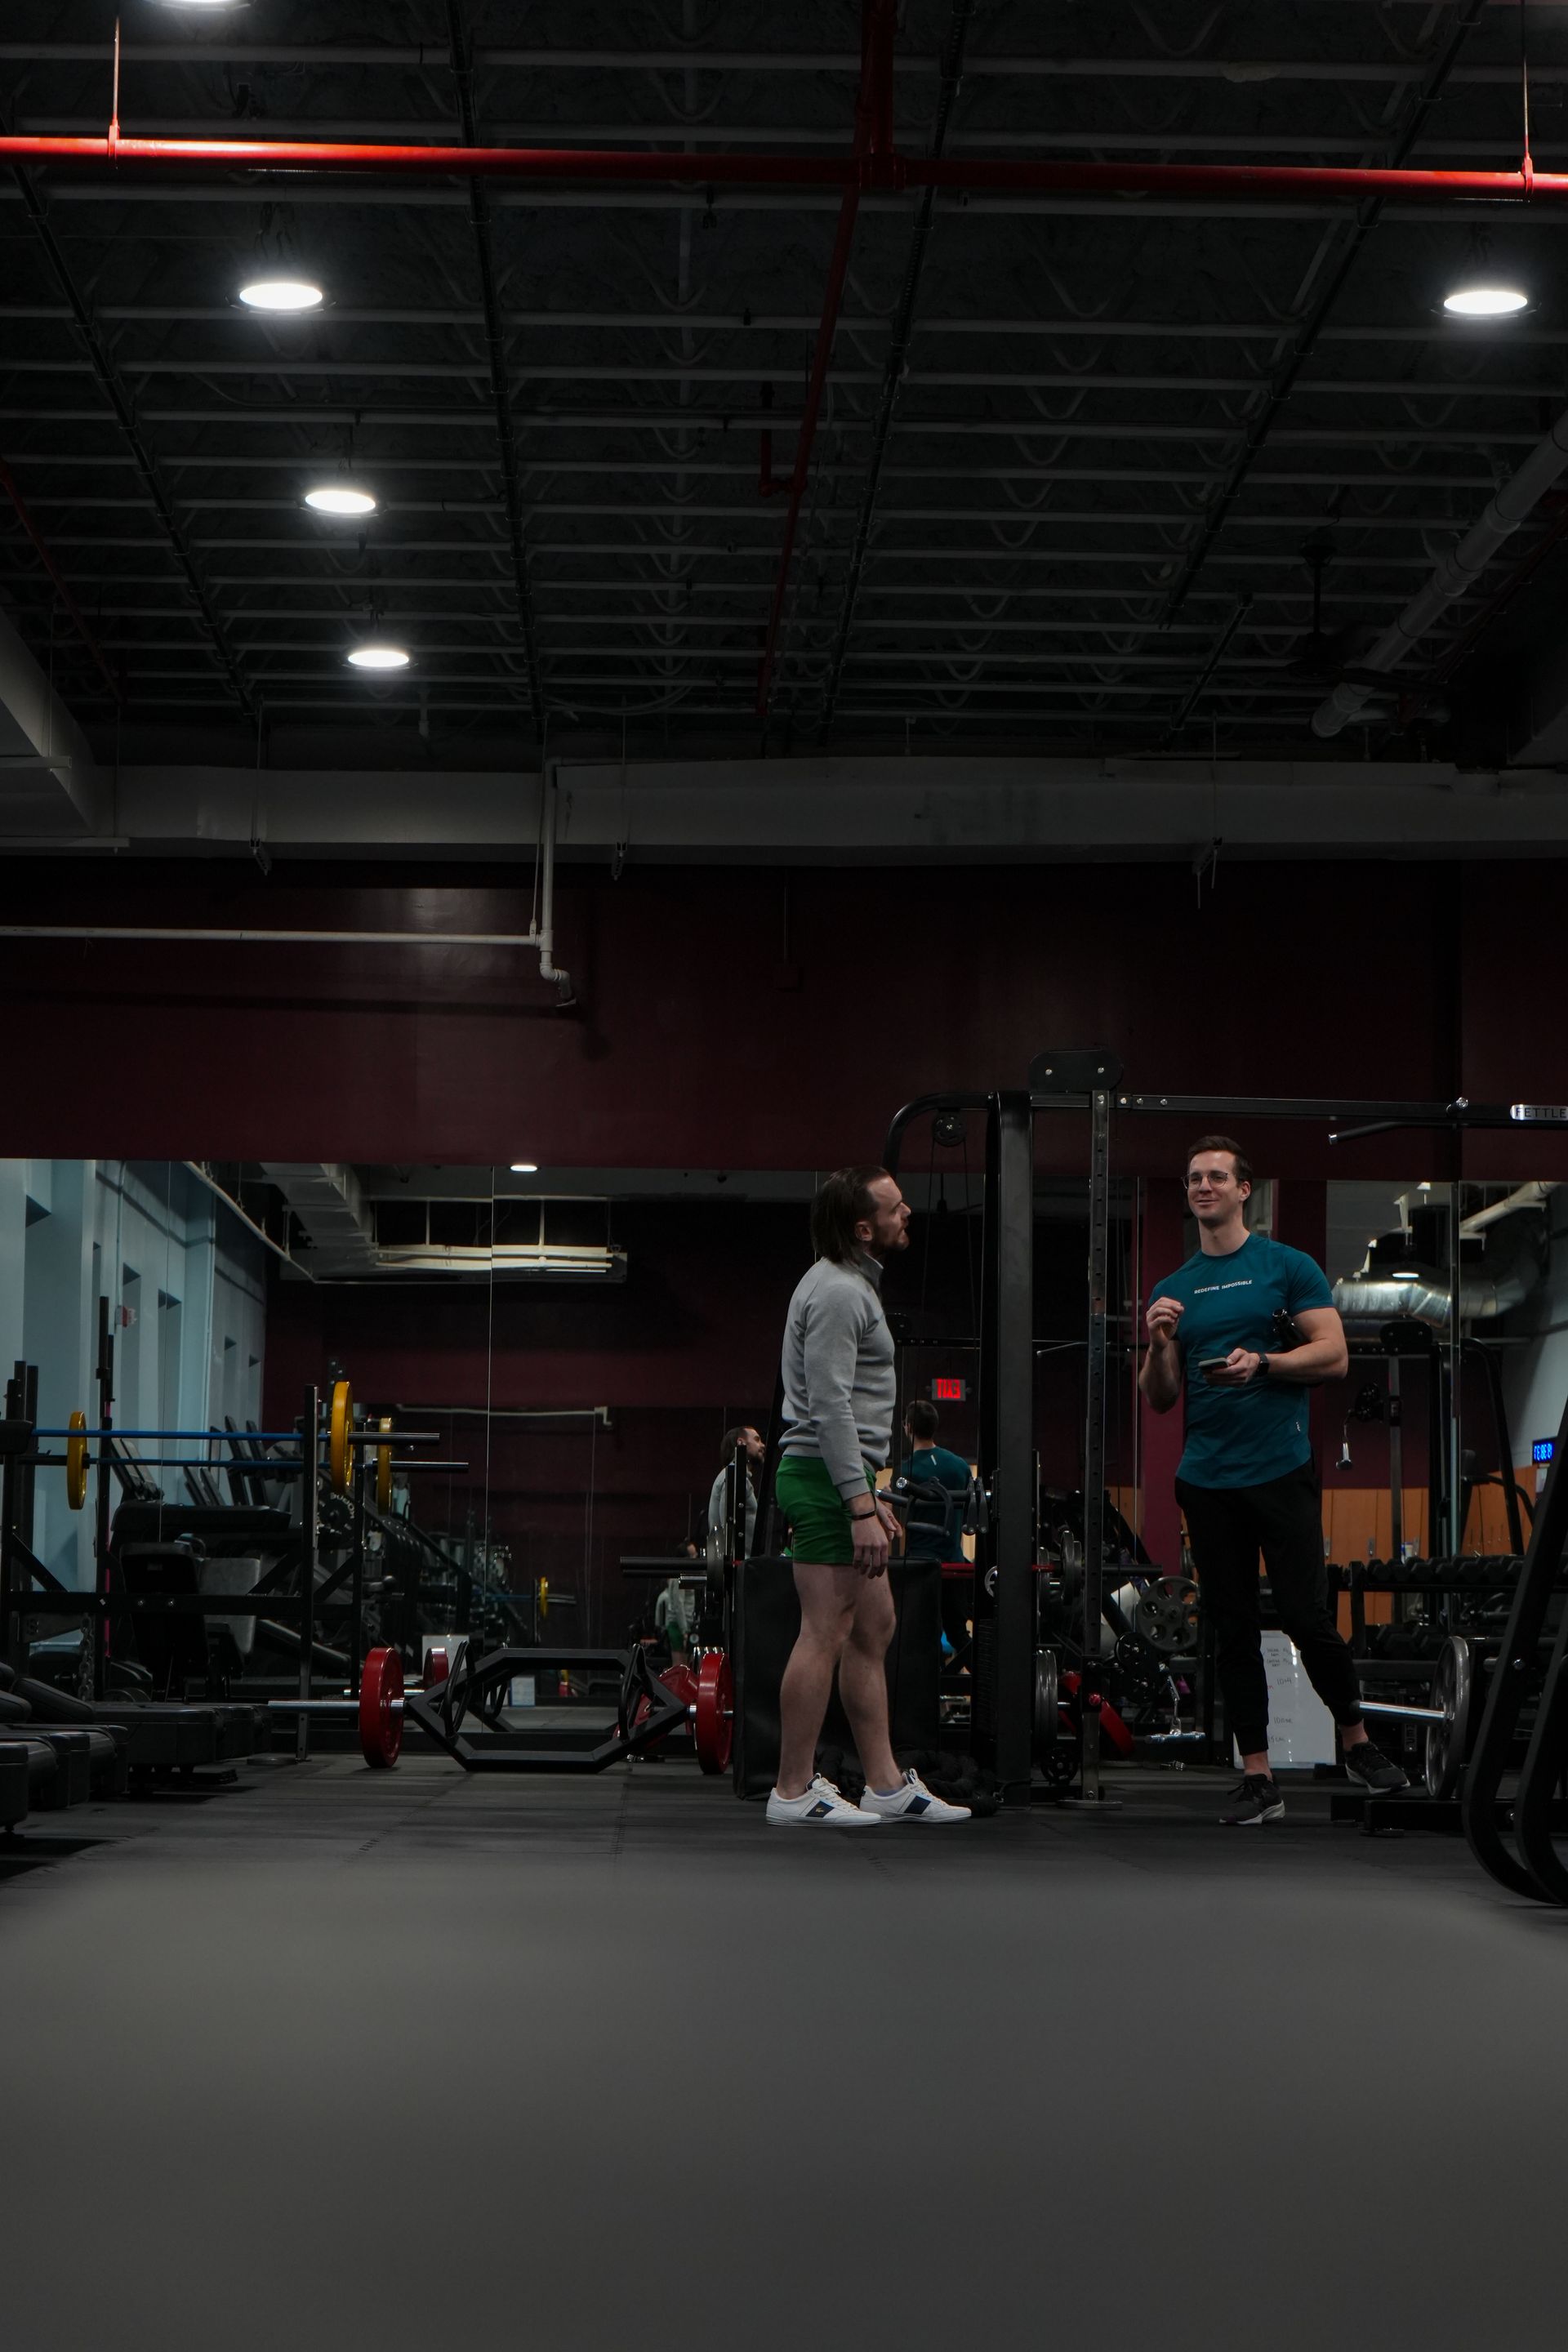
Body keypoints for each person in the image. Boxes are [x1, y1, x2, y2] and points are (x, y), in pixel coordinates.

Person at [1138, 1134, 1409, 1825]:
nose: (1204, 1187)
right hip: (1206, 1477)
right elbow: (1162, 1396)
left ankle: (1357, 1742)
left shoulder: (1286, 1267)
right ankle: (1259, 1777)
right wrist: (1160, 1344)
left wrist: (1263, 1363)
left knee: (1304, 1616)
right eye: (1195, 1178)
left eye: (1217, 1177)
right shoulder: (1175, 1289)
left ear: (1242, 1190)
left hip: (1279, 1471)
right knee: (1230, 1629)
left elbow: (1335, 1355)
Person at [767, 1165, 970, 1827]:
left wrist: (873, 1495)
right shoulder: (836, 1294)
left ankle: (884, 1784)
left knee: (874, 1625)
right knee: (824, 1631)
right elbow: (828, 1405)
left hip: (843, 1478)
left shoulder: (852, 1285)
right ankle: (792, 1791)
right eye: (895, 1207)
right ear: (864, 1229)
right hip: (823, 1478)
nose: (907, 1212)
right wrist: (858, 1503)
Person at [895, 1400, 972, 1563]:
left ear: (908, 1427)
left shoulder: (904, 1472)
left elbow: (896, 1523)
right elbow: (967, 1519)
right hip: (954, 1562)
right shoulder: (961, 1466)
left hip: (919, 1564)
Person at [707, 1424, 762, 1559]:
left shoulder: (736, 1475)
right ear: (741, 1442)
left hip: (739, 1567)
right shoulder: (734, 1475)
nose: (762, 1445)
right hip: (736, 1570)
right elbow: (727, 1530)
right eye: (757, 1440)